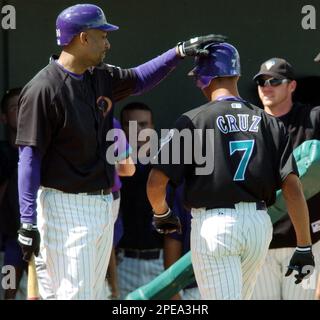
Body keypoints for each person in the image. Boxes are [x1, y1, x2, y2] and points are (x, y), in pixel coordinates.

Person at [15, 3, 226, 300]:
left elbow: (139, 79)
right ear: (83, 38)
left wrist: (178, 52)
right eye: (103, 35)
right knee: (74, 295)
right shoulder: (43, 88)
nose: (108, 42)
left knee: (88, 293)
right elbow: (29, 157)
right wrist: (27, 220)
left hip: (103, 203)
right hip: (66, 206)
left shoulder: (98, 75)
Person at [146, 42, 315, 300]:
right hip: (259, 226)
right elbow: (292, 188)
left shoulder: (192, 120)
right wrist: (304, 245)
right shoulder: (269, 122)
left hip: (216, 227)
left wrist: (162, 213)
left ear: (203, 79)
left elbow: (156, 182)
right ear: (236, 75)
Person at [251, 58, 320, 300]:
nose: (266, 86)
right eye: (261, 81)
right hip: (260, 243)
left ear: (291, 86)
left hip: (305, 240)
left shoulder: (313, 118)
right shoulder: (248, 124)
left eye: (274, 81)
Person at [116, 102, 165, 299]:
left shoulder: (167, 164)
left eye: (143, 125)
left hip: (160, 261)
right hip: (122, 262)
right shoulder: (109, 167)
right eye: (130, 124)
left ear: (152, 128)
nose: (137, 131)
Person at [0, 88, 28, 300]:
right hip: (8, 244)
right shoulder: (1, 154)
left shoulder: (47, 150)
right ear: (3, 117)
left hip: (41, 242)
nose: (22, 110)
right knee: (7, 292)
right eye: (15, 107)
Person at [164, 182, 201, 300]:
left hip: (246, 276)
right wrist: (173, 291)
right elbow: (174, 237)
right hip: (195, 286)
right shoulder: (188, 184)